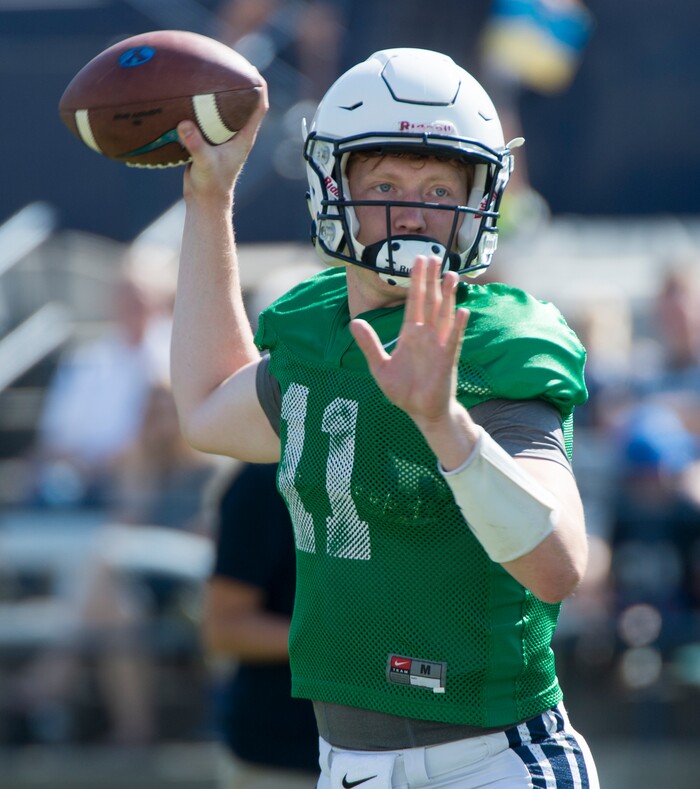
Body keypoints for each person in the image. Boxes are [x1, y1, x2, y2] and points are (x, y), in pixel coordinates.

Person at [171, 47, 599, 788]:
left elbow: (558, 565)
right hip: (348, 767)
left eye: (439, 186)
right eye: (387, 184)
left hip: (492, 759)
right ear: (333, 188)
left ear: (480, 198)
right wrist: (210, 199)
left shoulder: (497, 343)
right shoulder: (320, 335)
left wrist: (444, 422)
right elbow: (208, 406)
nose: (414, 210)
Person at [203, 463, 319, 788]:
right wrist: (341, 646)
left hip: (397, 749)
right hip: (282, 756)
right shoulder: (266, 477)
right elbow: (224, 629)